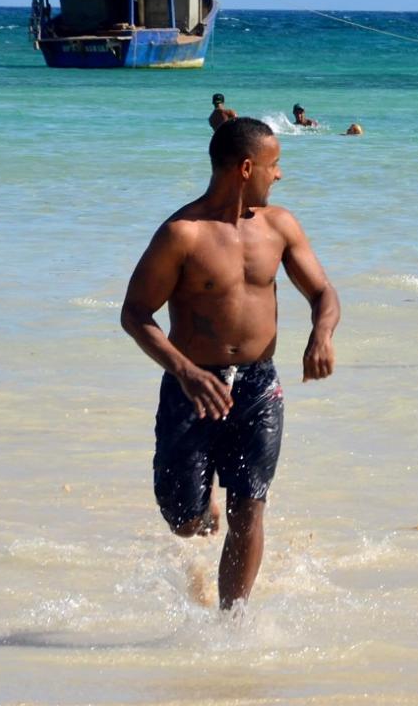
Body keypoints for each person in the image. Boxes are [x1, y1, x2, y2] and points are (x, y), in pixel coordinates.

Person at [119, 117, 341, 611]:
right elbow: (135, 314)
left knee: (250, 508)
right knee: (184, 520)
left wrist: (320, 334)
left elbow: (324, 291)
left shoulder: (280, 226)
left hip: (259, 386)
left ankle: (230, 626)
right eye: (273, 165)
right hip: (193, 388)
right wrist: (185, 371)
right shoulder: (183, 234)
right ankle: (200, 508)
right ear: (245, 168)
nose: (278, 175)